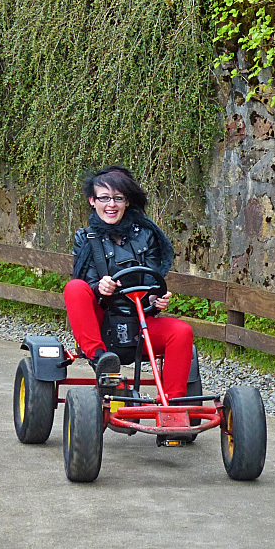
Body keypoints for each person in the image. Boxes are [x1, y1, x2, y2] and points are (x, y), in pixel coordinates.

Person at [63, 165, 194, 400]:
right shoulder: (86, 238)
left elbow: (153, 279)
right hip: (102, 324)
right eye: (104, 198)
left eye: (118, 198)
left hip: (139, 323)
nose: (111, 205)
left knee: (181, 331)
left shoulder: (147, 235)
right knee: (74, 287)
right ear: (93, 201)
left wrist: (157, 299)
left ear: (127, 202)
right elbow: (85, 285)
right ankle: (101, 360)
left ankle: (173, 405)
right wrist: (100, 287)